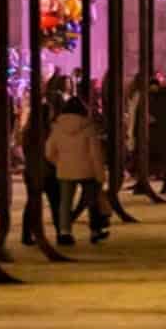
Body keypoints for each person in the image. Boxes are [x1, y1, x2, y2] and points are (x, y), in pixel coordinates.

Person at [44, 96, 109, 246]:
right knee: (92, 200)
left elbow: (49, 151)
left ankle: (65, 231)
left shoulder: (57, 127)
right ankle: (95, 230)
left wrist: (58, 162)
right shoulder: (89, 127)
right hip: (88, 170)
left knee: (65, 202)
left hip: (65, 169)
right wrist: (100, 174)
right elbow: (95, 153)